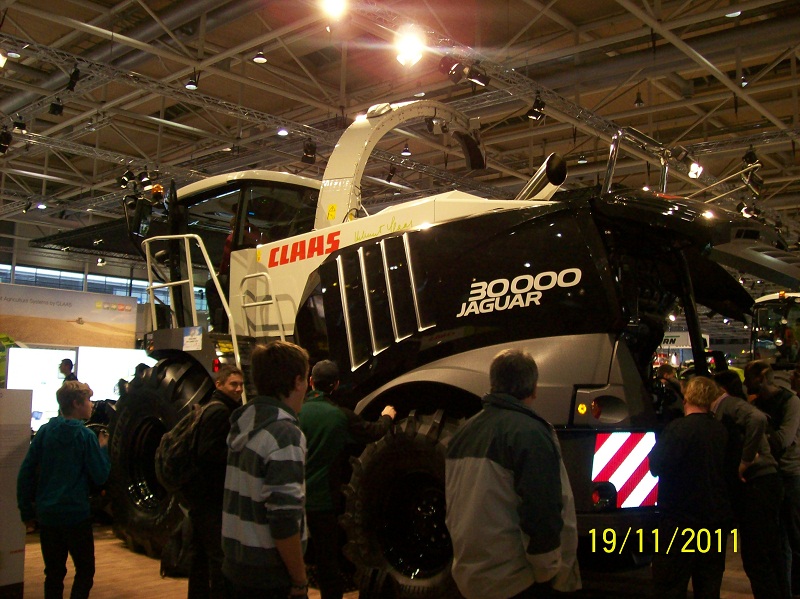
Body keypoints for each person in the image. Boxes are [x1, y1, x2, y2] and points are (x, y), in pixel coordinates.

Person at [445, 349, 581, 599]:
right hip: (514, 581)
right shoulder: (530, 434)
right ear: (534, 389)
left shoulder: (461, 435)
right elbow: (541, 508)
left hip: (470, 580)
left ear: (493, 384)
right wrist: (549, 572)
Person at [298, 360, 397, 599]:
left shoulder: (296, 412)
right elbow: (373, 432)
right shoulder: (340, 416)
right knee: (327, 561)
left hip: (294, 499)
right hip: (323, 501)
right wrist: (387, 417)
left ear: (311, 382)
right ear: (336, 385)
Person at [221, 341, 310, 599]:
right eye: (306, 378)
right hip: (268, 576)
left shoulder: (244, 423)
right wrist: (299, 579)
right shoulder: (284, 434)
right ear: (297, 382)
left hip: (236, 566)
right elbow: (283, 518)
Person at [17, 381, 111, 599]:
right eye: (88, 400)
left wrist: (26, 511)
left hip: (48, 516)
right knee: (85, 571)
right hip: (76, 515)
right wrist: (103, 449)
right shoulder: (86, 437)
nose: (91, 405)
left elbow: (26, 472)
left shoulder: (45, 432)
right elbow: (100, 475)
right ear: (77, 403)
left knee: (53, 573)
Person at [648, 376, 733, 599]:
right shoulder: (721, 430)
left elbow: (656, 466)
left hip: (679, 521)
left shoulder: (677, 429)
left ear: (687, 396)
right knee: (708, 586)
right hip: (714, 522)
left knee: (670, 586)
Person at [712, 368, 788, 599]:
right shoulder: (737, 405)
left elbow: (757, 419)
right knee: (770, 552)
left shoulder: (729, 404)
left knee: (757, 556)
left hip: (758, 484)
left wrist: (745, 461)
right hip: (767, 482)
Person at [185, 365, 244, 599]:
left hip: (201, 496)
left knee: (200, 556)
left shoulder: (212, 407)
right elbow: (208, 452)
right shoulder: (220, 412)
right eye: (233, 384)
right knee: (219, 558)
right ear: (219, 384)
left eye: (240, 385)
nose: (238, 389)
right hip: (211, 497)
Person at [746, 360, 800, 597]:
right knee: (779, 540)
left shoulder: (790, 402)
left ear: (760, 379)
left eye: (748, 377)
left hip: (790, 473)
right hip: (773, 474)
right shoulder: (758, 403)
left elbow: (783, 440)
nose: (745, 383)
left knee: (794, 536)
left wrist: (759, 438)